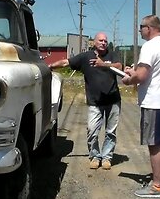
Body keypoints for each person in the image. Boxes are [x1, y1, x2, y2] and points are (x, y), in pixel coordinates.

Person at [49, 32, 122, 170]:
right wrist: (50, 66)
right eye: (100, 40)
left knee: (111, 132)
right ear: (94, 42)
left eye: (105, 41)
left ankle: (107, 157)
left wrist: (103, 64)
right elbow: (67, 62)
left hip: (113, 100)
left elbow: (119, 66)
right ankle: (94, 156)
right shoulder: (85, 57)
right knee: (92, 130)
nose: (103, 43)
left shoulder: (112, 55)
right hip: (95, 101)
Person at [122, 15, 160, 198]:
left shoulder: (149, 46)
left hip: (154, 103)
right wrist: (135, 72)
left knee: (154, 144)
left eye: (141, 27)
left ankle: (157, 185)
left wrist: (129, 79)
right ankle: (159, 179)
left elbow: (142, 76)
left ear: (149, 28)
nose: (140, 30)